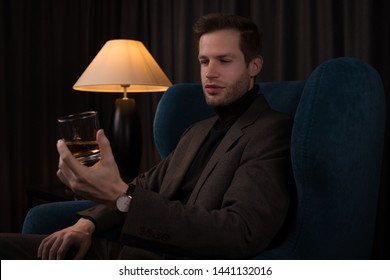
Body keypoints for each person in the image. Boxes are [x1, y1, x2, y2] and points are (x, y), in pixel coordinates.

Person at [0, 13, 293, 260]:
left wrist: (118, 194)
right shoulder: (197, 131)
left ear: (254, 65)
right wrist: (86, 223)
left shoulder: (271, 131)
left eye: (224, 61)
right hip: (126, 252)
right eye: (204, 61)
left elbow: (240, 233)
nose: (210, 73)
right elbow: (141, 186)